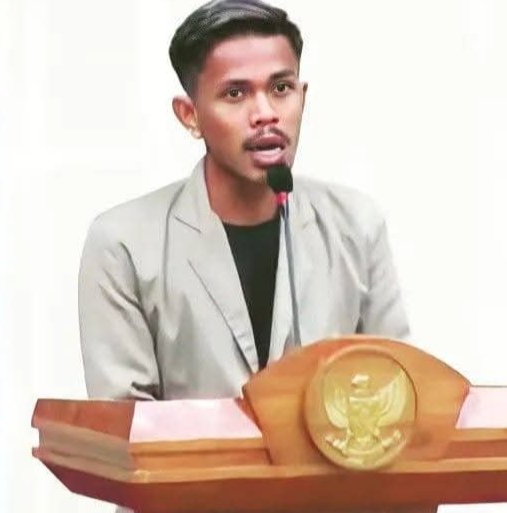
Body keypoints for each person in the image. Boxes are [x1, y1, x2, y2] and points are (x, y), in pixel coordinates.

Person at [79, 0, 409, 402]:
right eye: (235, 93)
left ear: (302, 97)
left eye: (281, 88)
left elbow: (400, 393)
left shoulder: (357, 225)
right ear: (190, 115)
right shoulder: (124, 244)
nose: (266, 113)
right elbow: (124, 424)